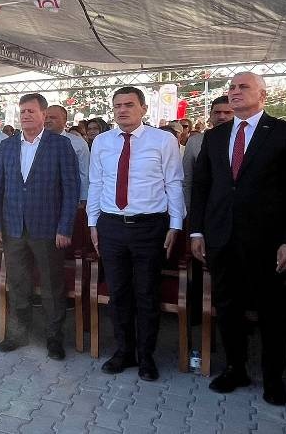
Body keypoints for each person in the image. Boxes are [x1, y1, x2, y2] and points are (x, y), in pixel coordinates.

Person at [190, 73, 286, 406]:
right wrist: (197, 231)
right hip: (221, 238)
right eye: (231, 87)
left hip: (268, 242)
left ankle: (273, 378)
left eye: (243, 87)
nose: (234, 92)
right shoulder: (215, 135)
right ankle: (236, 368)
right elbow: (202, 186)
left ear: (263, 95)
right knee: (228, 308)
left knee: (272, 311)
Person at [87, 87, 184, 382]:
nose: (122, 110)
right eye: (117, 105)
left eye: (129, 105)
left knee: (146, 293)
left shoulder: (163, 140)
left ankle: (146, 356)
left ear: (143, 108)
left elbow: (174, 182)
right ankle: (124, 351)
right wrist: (93, 222)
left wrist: (175, 224)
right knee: (118, 293)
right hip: (111, 225)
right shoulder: (102, 141)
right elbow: (96, 183)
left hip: (149, 227)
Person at [0, 94, 80, 358]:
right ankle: (19, 334)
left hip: (48, 229)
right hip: (13, 227)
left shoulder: (60, 144)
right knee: (18, 283)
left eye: (31, 111)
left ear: (43, 114)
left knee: (52, 286)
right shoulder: (7, 146)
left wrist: (65, 227)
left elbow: (71, 189)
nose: (26, 115)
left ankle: (54, 338)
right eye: (22, 111)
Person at [182, 96, 234, 208]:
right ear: (210, 116)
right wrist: (188, 209)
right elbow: (187, 179)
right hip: (206, 205)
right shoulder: (195, 141)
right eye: (217, 112)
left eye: (227, 112)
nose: (222, 116)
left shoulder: (243, 140)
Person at [45, 105, 89, 204]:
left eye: (52, 117)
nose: (47, 120)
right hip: (42, 199)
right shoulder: (35, 142)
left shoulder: (78, 143)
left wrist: (83, 198)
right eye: (45, 117)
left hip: (69, 199)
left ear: (65, 120)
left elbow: (84, 173)